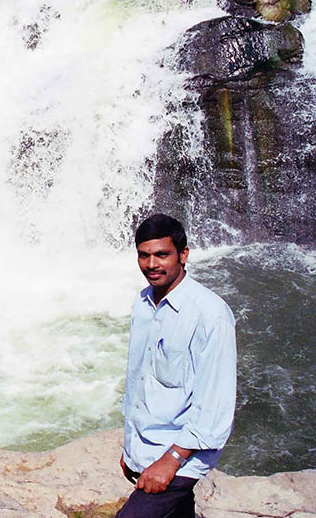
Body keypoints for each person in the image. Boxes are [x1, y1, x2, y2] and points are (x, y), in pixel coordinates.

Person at [117, 214, 237, 518]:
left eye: (162, 254)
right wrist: (132, 448)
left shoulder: (210, 314)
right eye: (144, 255)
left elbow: (216, 405)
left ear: (183, 255)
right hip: (146, 446)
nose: (152, 264)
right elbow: (139, 380)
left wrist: (171, 460)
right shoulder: (143, 303)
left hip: (182, 454)